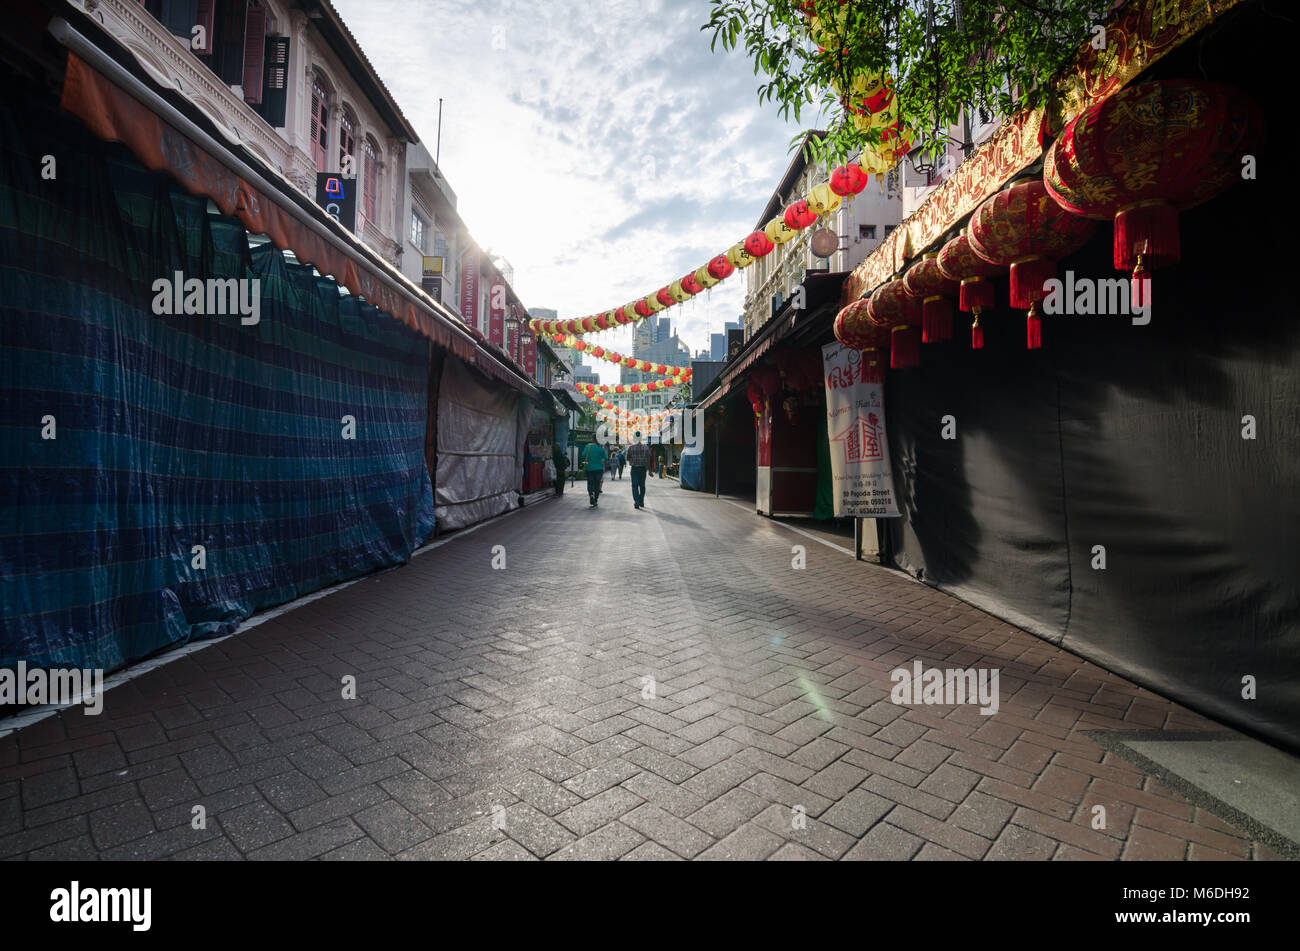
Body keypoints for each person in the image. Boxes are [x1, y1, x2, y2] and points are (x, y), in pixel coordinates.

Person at [625, 432, 653, 509]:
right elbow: (648, 460)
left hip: (634, 469)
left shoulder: (631, 448)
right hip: (643, 469)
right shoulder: (646, 448)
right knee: (642, 486)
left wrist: (633, 458)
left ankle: (636, 501)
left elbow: (627, 458)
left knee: (634, 486)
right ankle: (641, 501)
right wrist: (649, 471)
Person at [582, 440, 607, 506]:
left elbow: (583, 455)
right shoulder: (601, 448)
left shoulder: (588, 446)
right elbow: (606, 458)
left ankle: (591, 494)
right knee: (597, 484)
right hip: (599, 469)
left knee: (590, 483)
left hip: (589, 468)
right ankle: (595, 499)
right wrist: (600, 460)